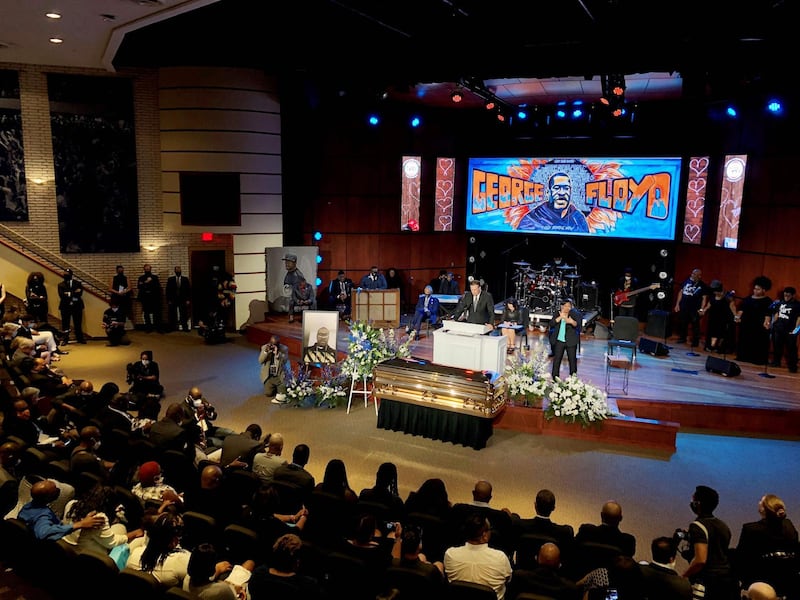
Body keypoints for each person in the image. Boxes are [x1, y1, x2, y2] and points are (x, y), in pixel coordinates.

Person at [680, 485, 736, 600]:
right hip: (727, 581)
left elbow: (700, 560)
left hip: (707, 582)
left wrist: (684, 575)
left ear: (698, 504)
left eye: (693, 500)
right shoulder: (723, 525)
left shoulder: (697, 526)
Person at [735, 493, 799, 592]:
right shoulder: (788, 525)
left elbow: (742, 557)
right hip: (789, 582)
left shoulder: (751, 529)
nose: (758, 502)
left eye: (761, 500)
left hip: (762, 582)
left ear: (763, 509)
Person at [444, 513, 513, 600]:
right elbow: (508, 580)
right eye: (490, 529)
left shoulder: (450, 554)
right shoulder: (500, 557)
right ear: (484, 535)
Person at [18, 479, 105, 541]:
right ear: (49, 497)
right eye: (56, 490)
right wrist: (80, 524)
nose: (59, 490)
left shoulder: (27, 507)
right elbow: (43, 533)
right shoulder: (43, 516)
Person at [519, 171, 589, 232]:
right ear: (547, 192)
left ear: (570, 192)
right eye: (556, 188)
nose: (562, 193)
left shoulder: (578, 218)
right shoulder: (532, 218)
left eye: (566, 188)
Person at [735, 276, 774, 365]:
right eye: (755, 289)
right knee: (744, 340)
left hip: (759, 326)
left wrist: (766, 322)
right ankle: (743, 356)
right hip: (746, 324)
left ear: (764, 290)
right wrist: (737, 317)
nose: (755, 291)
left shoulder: (768, 301)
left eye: (758, 289)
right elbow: (741, 310)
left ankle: (757, 359)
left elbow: (768, 314)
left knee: (758, 343)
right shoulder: (748, 299)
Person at [674, 268, 710, 348]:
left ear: (700, 276)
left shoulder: (702, 285)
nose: (693, 276)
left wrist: (701, 309)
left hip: (694, 309)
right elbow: (681, 292)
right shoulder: (686, 281)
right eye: (693, 274)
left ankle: (695, 342)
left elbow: (704, 298)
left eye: (696, 275)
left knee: (695, 325)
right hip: (684, 306)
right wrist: (677, 304)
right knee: (683, 323)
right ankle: (683, 338)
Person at [549, 298, 582, 380]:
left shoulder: (575, 314)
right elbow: (552, 323)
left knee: (572, 360)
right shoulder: (557, 313)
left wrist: (571, 322)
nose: (567, 308)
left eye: (569, 306)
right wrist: (560, 317)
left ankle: (573, 379)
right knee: (557, 360)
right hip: (559, 340)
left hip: (571, 340)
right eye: (565, 306)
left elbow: (578, 325)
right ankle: (555, 378)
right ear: (561, 306)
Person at [768, 286, 800, 372]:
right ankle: (776, 362)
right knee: (777, 347)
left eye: (788, 295)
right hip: (778, 328)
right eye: (785, 295)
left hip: (790, 329)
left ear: (793, 295)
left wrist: (796, 330)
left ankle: (793, 366)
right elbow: (776, 313)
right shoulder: (779, 303)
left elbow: (799, 318)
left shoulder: (797, 305)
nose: (786, 297)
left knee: (791, 349)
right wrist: (773, 324)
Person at [704, 280, 737, 353]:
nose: (715, 293)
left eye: (716, 291)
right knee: (713, 331)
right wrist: (704, 310)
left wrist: (736, 316)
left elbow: (732, 307)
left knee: (721, 333)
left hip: (724, 318)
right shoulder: (712, 295)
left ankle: (719, 347)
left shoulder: (727, 296)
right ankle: (711, 346)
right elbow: (710, 303)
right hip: (713, 316)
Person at [57, 268, 85, 344]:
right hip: (65, 306)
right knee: (65, 323)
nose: (65, 275)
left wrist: (68, 293)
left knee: (78, 323)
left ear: (71, 275)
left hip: (77, 306)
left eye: (67, 274)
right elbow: (62, 295)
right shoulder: (61, 285)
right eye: (64, 274)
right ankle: (65, 339)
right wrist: (73, 292)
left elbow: (80, 293)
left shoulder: (78, 283)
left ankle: (80, 338)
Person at [259, 335, 291, 403]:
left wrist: (277, 354)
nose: (273, 347)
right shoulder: (265, 347)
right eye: (272, 344)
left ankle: (279, 387)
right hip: (269, 376)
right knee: (268, 394)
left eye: (275, 345)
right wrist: (266, 352)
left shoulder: (284, 348)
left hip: (279, 376)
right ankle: (272, 386)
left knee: (282, 394)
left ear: (278, 344)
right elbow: (260, 361)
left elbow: (285, 361)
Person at [137, 263, 163, 333]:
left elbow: (158, 287)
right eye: (146, 269)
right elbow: (139, 286)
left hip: (154, 298)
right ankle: (148, 328)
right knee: (146, 313)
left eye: (148, 268)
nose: (147, 270)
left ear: (150, 269)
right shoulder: (141, 278)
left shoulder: (155, 277)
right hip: (145, 298)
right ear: (144, 269)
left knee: (156, 313)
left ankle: (158, 327)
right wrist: (146, 282)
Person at [165, 266, 192, 332]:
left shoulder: (185, 279)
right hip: (173, 299)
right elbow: (167, 290)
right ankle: (172, 327)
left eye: (179, 270)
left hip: (183, 299)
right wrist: (168, 300)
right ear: (175, 271)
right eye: (176, 270)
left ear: (181, 271)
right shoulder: (170, 279)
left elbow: (188, 290)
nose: (178, 271)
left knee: (184, 314)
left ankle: (184, 327)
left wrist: (188, 299)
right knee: (172, 314)